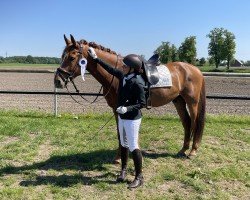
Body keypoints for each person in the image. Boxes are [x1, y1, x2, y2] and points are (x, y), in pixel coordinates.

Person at [88, 47, 146, 189]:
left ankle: (139, 177)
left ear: (132, 68)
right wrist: (96, 59)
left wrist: (127, 108)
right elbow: (110, 69)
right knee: (123, 142)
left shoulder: (138, 83)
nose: (122, 66)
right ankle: (124, 170)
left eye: (125, 65)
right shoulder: (123, 76)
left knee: (133, 145)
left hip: (132, 118)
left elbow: (142, 103)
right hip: (122, 116)